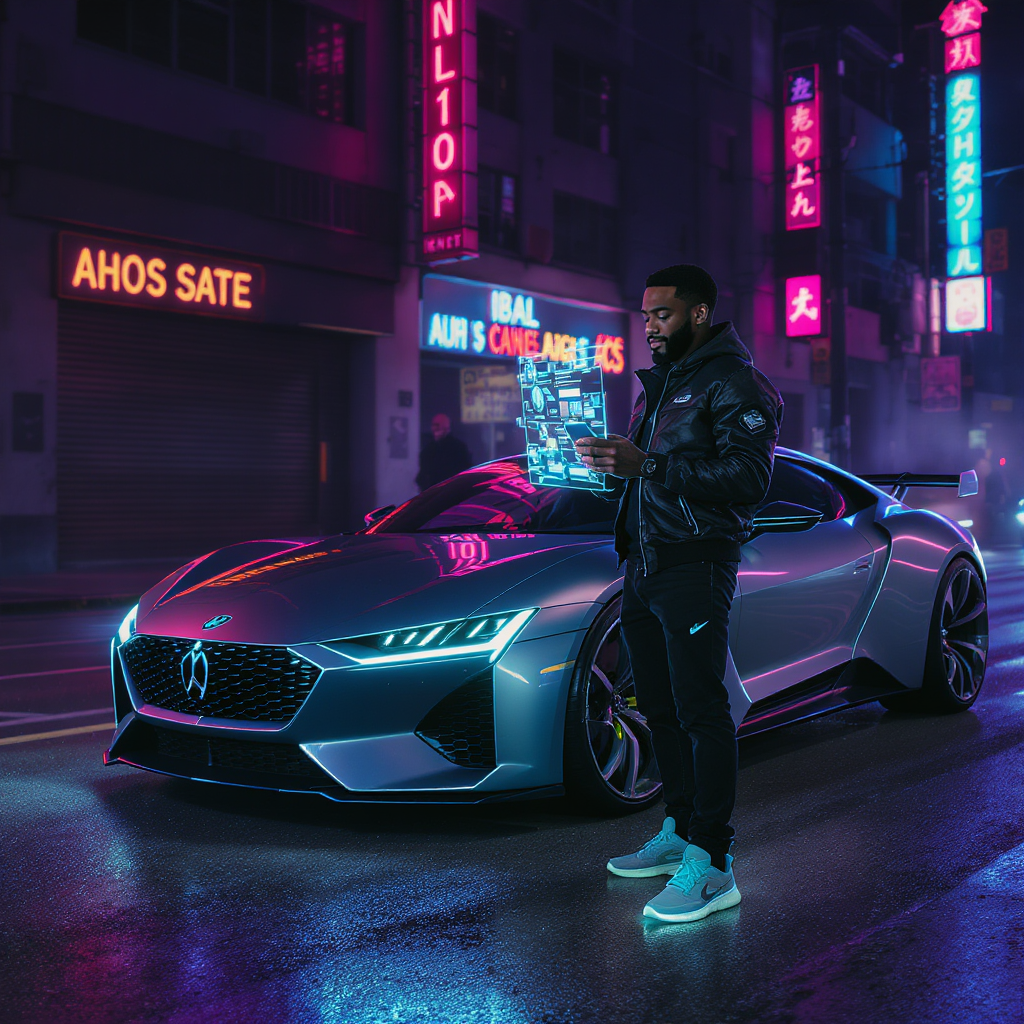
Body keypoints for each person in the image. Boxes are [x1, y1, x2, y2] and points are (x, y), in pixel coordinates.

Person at [576, 264, 782, 923]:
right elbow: (652, 481)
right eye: (644, 316)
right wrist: (609, 470)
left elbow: (748, 478)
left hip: (695, 562)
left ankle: (714, 863)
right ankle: (679, 829)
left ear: (698, 313)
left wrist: (648, 464)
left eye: (661, 315)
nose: (649, 327)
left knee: (701, 709)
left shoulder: (735, 380)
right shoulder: (660, 386)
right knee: (658, 706)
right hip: (644, 563)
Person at [416, 413, 472, 491]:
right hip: (436, 492)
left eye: (437, 425)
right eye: (433, 425)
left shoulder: (458, 448)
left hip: (451, 491)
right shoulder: (428, 450)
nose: (435, 428)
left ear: (447, 428)